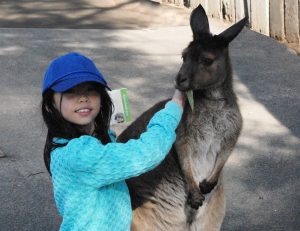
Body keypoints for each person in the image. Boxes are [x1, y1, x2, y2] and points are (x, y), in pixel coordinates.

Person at [41, 52, 185, 231]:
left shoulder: (72, 142)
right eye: (70, 92)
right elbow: (146, 153)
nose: (83, 97)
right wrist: (174, 108)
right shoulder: (78, 155)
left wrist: (104, 134)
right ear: (51, 104)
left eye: (90, 89)